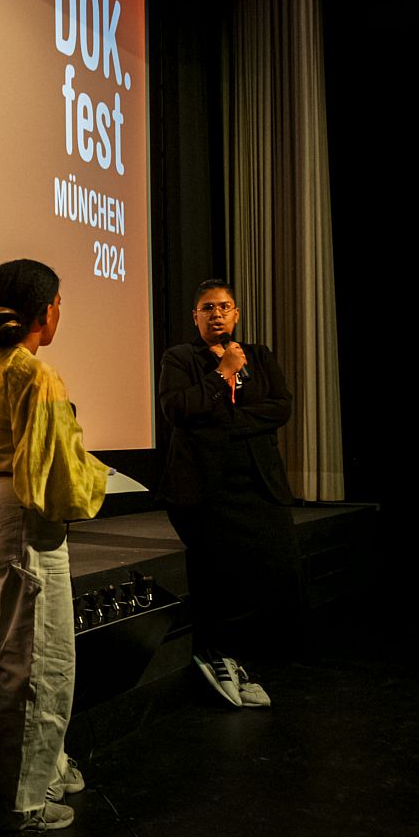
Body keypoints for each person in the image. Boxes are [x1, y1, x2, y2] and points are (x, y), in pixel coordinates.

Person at [0, 259, 109, 832]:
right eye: (59, 304)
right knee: (41, 665)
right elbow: (54, 475)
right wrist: (98, 479)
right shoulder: (33, 373)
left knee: (17, 656)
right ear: (46, 311)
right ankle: (23, 801)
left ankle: (47, 770)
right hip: (22, 517)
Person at [157, 279, 304, 708]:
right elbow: (178, 409)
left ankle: (242, 656)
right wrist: (222, 374)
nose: (216, 314)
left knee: (278, 567)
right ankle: (218, 656)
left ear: (236, 313)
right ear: (195, 317)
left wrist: (222, 421)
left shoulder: (258, 355)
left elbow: (281, 407)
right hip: (205, 488)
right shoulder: (180, 358)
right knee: (218, 575)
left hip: (258, 483)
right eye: (207, 308)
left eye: (224, 306)